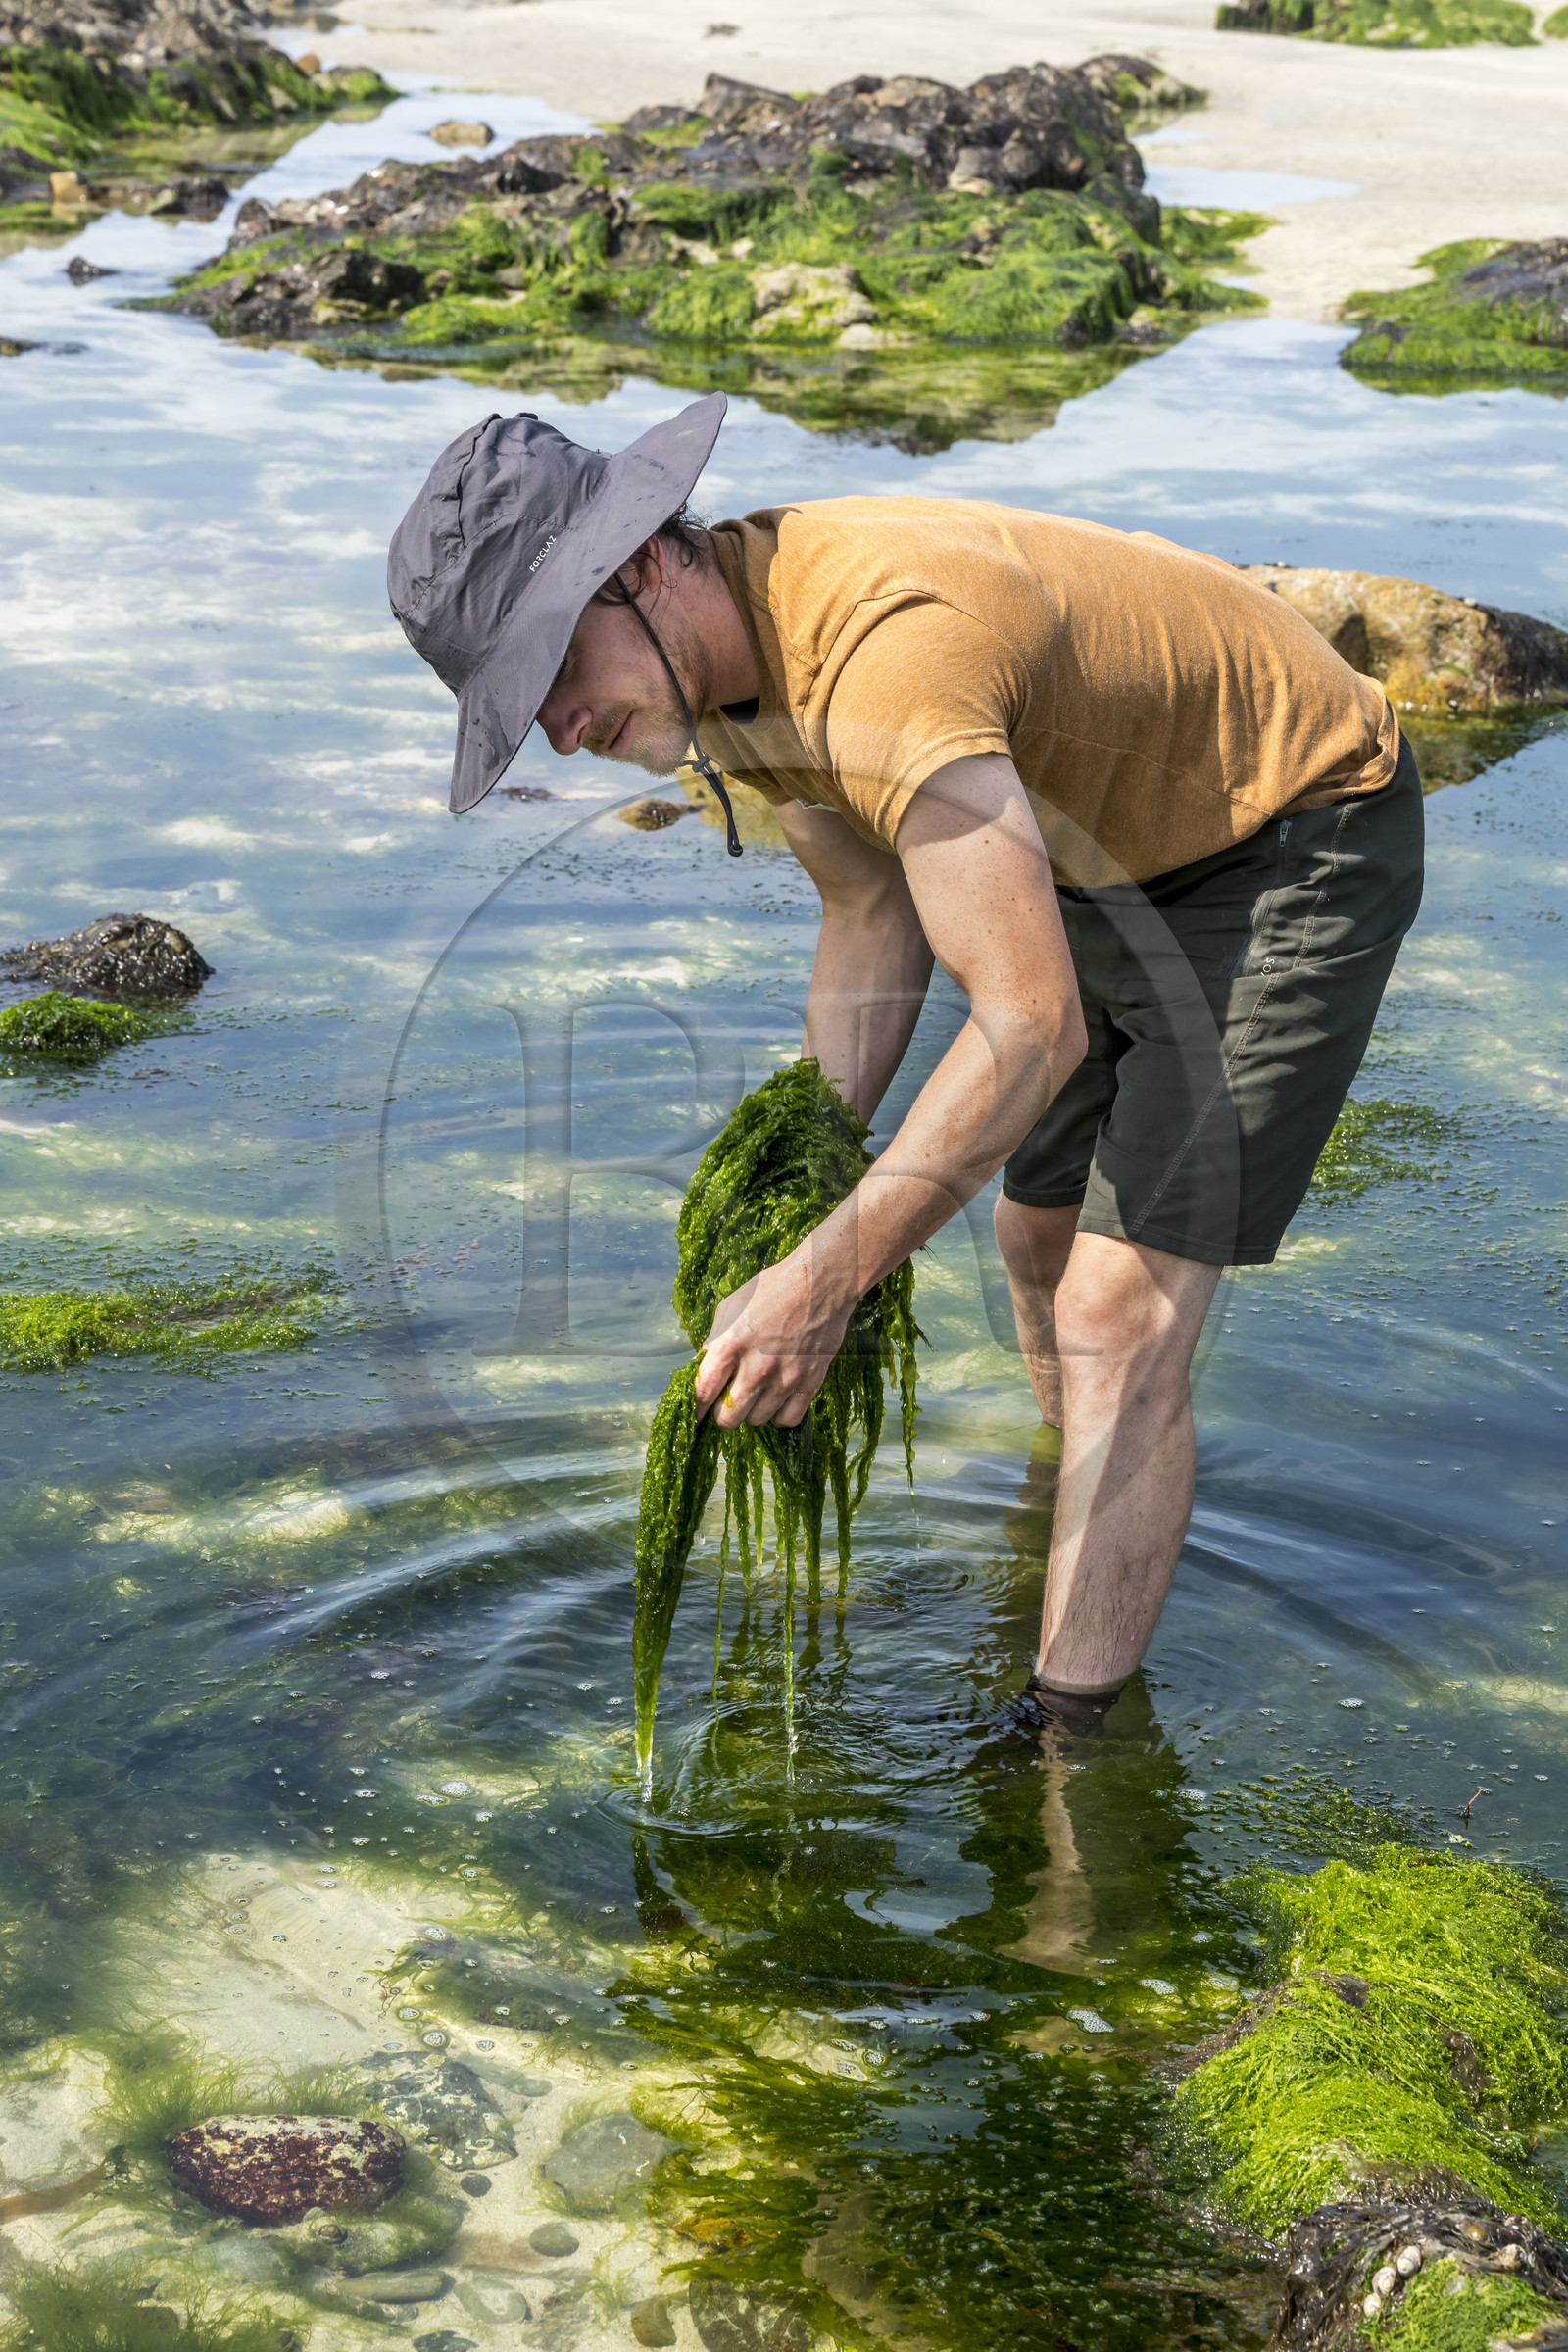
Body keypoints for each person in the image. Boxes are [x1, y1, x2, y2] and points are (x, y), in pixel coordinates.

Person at [388, 391, 1423, 1729]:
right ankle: (1074, 1538)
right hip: (1101, 847)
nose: (554, 727)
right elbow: (873, 912)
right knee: (1037, 1244)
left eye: (548, 670)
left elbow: (1028, 1025)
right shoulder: (724, 671)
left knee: (1116, 1314)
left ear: (639, 561)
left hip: (1291, 823)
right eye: (514, 703)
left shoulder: (881, 657)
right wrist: (805, 1181)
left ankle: (1066, 1762)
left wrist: (826, 1280)